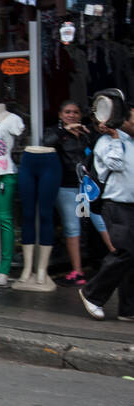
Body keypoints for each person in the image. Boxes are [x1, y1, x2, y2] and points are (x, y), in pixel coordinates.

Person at [45, 101, 116, 286]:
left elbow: (96, 153)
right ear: (60, 114)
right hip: (67, 188)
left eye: (75, 112)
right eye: (67, 112)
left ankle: (121, 264)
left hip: (87, 188)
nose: (71, 115)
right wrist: (65, 131)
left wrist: (89, 133)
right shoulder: (56, 133)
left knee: (100, 222)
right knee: (72, 227)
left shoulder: (86, 134)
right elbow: (46, 143)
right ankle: (77, 271)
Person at [78, 102, 134, 321]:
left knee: (132, 257)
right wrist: (115, 138)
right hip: (115, 204)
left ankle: (128, 309)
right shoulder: (106, 142)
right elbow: (115, 164)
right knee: (125, 252)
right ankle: (92, 294)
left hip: (131, 205)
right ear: (123, 121)